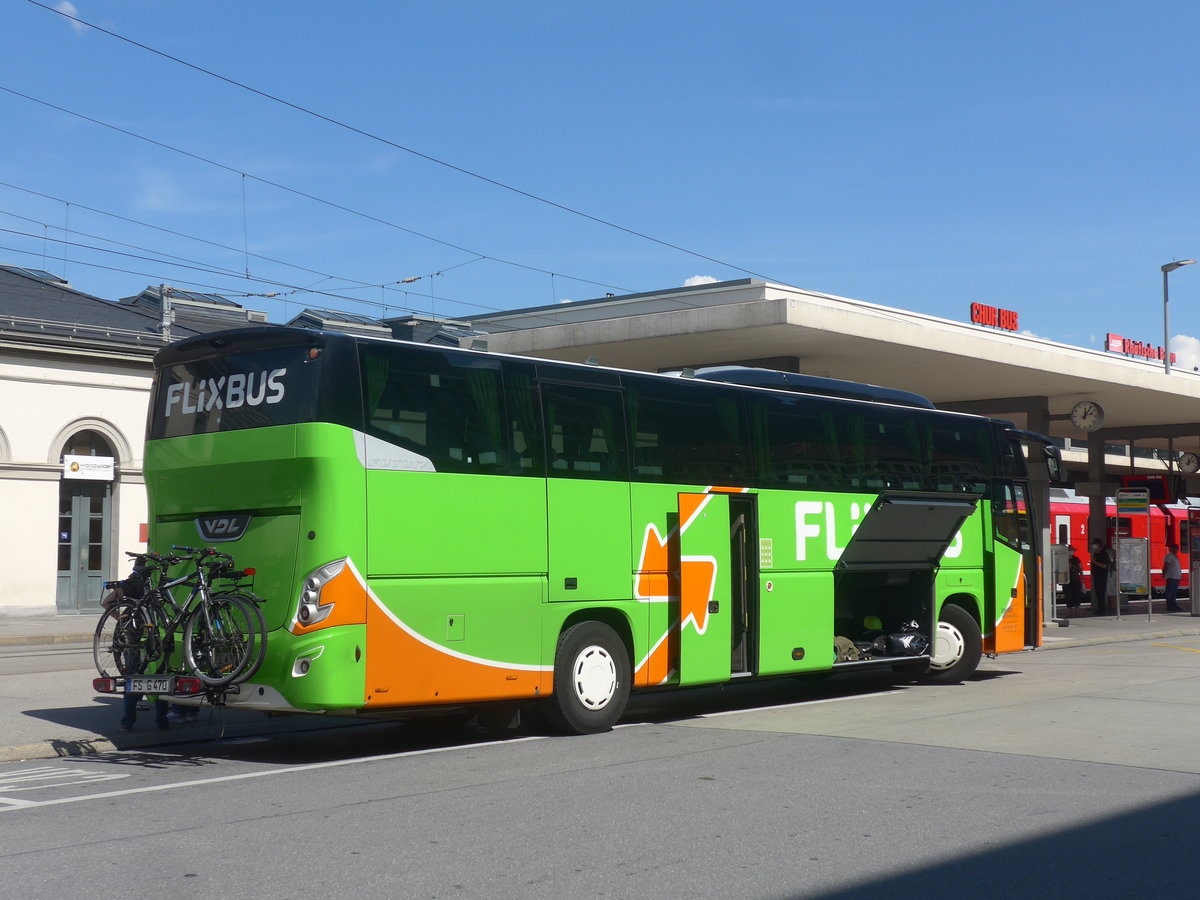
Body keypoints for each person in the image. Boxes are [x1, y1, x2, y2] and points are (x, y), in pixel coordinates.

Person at [1090, 538, 1110, 615]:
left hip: (1102, 576)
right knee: (1097, 592)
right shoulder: (1096, 554)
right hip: (1096, 575)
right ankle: (1099, 609)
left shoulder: (1104, 553)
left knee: (1101, 592)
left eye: (1095, 544)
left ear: (1099, 545)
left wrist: (1094, 561)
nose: (1094, 546)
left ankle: (1102, 609)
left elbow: (1104, 565)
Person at [1163, 543, 1183, 612]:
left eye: (1177, 549)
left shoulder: (1175, 556)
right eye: (1175, 548)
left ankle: (1174, 605)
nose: (1176, 550)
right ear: (1171, 549)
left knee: (1173, 593)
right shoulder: (1169, 556)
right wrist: (1164, 573)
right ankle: (1170, 606)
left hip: (1176, 577)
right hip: (1171, 577)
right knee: (1170, 593)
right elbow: (1166, 565)